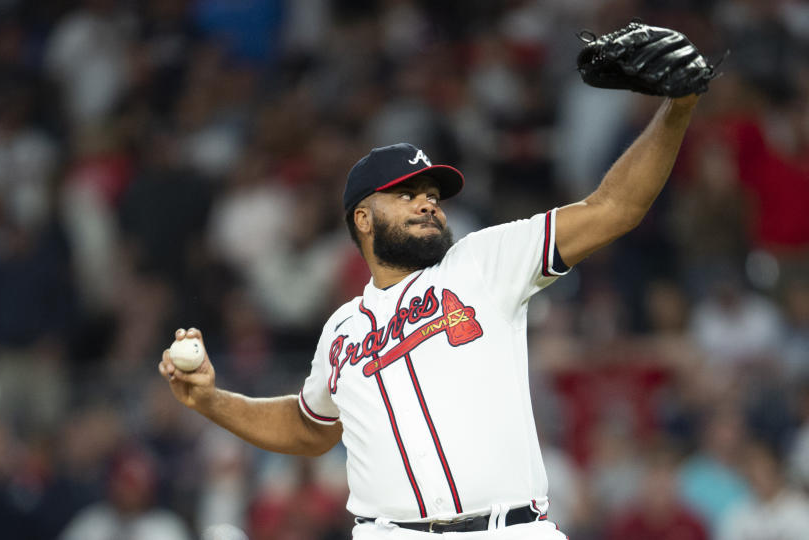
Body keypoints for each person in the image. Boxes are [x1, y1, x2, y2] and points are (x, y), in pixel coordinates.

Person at [159, 58, 703, 540]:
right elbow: (308, 427)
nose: (428, 204)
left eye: (433, 195)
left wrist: (676, 107)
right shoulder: (342, 330)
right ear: (364, 218)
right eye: (407, 193)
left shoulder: (485, 262)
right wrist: (210, 400)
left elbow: (614, 209)